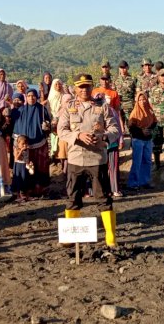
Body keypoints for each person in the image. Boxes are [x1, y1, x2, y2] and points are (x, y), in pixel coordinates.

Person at [56, 74, 120, 247]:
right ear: (75, 88)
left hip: (97, 158)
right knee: (73, 197)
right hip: (76, 158)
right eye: (81, 87)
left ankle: (111, 237)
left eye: (87, 86)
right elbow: (61, 130)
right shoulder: (69, 107)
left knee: (103, 198)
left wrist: (104, 138)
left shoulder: (103, 107)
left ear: (92, 88)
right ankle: (70, 237)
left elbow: (115, 128)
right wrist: (78, 135)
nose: (84, 90)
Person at [13, 89, 52, 197]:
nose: (31, 98)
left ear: (37, 97)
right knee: (26, 168)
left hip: (39, 143)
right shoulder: (20, 110)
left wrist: (47, 126)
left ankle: (40, 190)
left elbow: (48, 127)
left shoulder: (42, 109)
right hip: (25, 146)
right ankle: (27, 190)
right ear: (26, 97)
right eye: (29, 96)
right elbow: (16, 128)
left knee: (40, 167)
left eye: (33, 96)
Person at [127, 92, 156, 190]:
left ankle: (144, 181)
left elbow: (154, 122)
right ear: (137, 101)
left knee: (147, 161)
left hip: (148, 140)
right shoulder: (135, 112)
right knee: (137, 161)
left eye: (144, 99)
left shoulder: (150, 110)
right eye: (140, 100)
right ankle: (133, 183)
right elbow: (131, 127)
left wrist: (149, 130)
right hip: (138, 139)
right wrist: (142, 131)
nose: (142, 102)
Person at [113, 60, 137, 130]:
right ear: (119, 69)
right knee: (118, 125)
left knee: (130, 124)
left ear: (127, 68)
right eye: (121, 68)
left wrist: (135, 104)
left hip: (129, 104)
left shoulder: (133, 79)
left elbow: (136, 92)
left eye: (124, 68)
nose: (123, 70)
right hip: (118, 104)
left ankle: (132, 139)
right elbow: (113, 92)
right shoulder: (115, 79)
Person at [47, 79, 67, 162]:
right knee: (54, 137)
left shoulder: (64, 95)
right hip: (53, 118)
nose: (58, 86)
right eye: (56, 85)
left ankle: (60, 155)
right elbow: (49, 109)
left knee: (61, 137)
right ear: (53, 86)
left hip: (63, 118)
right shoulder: (51, 96)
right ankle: (53, 154)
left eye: (59, 84)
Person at [12, 135, 34, 201]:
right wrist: (21, 151)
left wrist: (30, 163)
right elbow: (16, 158)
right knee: (20, 180)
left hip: (25, 166)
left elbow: (27, 158)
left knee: (26, 179)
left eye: (26, 143)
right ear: (18, 144)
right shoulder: (16, 149)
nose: (25, 145)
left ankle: (26, 194)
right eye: (23, 144)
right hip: (19, 166)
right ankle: (20, 194)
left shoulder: (27, 150)